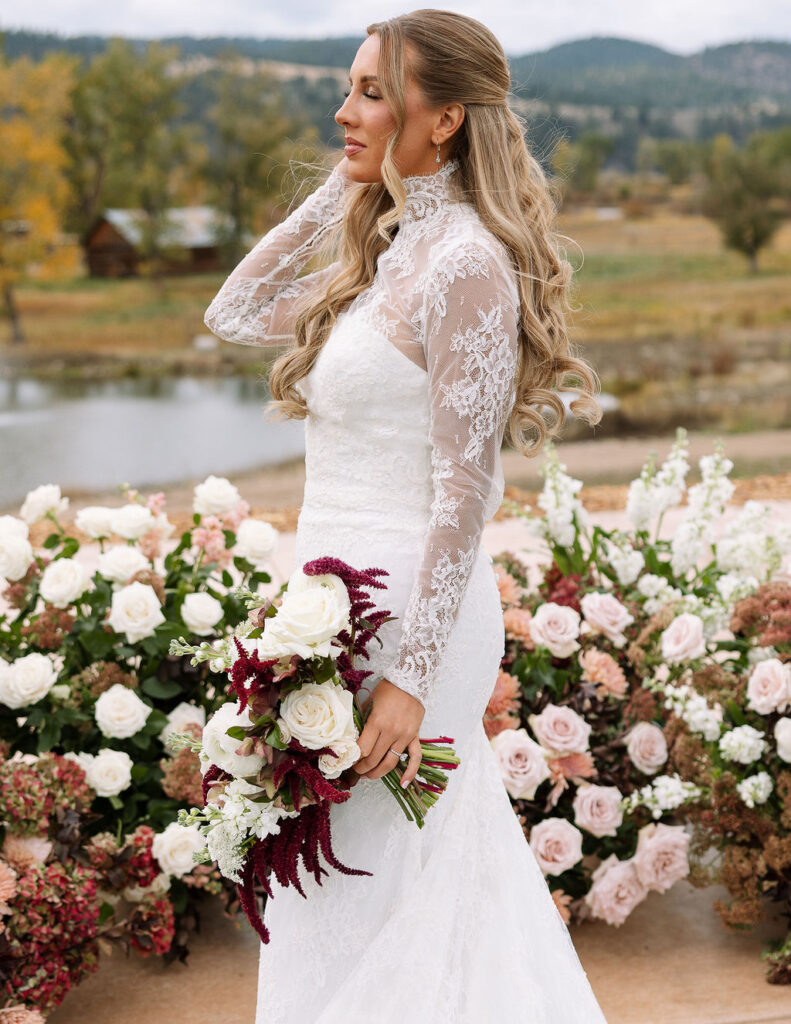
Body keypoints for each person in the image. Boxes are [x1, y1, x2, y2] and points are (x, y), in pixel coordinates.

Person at [203, 9, 607, 1022]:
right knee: (333, 889)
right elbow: (234, 312)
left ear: (446, 120)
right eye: (349, 88)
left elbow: (464, 493)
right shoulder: (390, 249)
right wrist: (341, 190)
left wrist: (412, 685)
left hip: (408, 628)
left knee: (391, 886)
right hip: (325, 602)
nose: (344, 111)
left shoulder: (465, 265)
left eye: (372, 93)